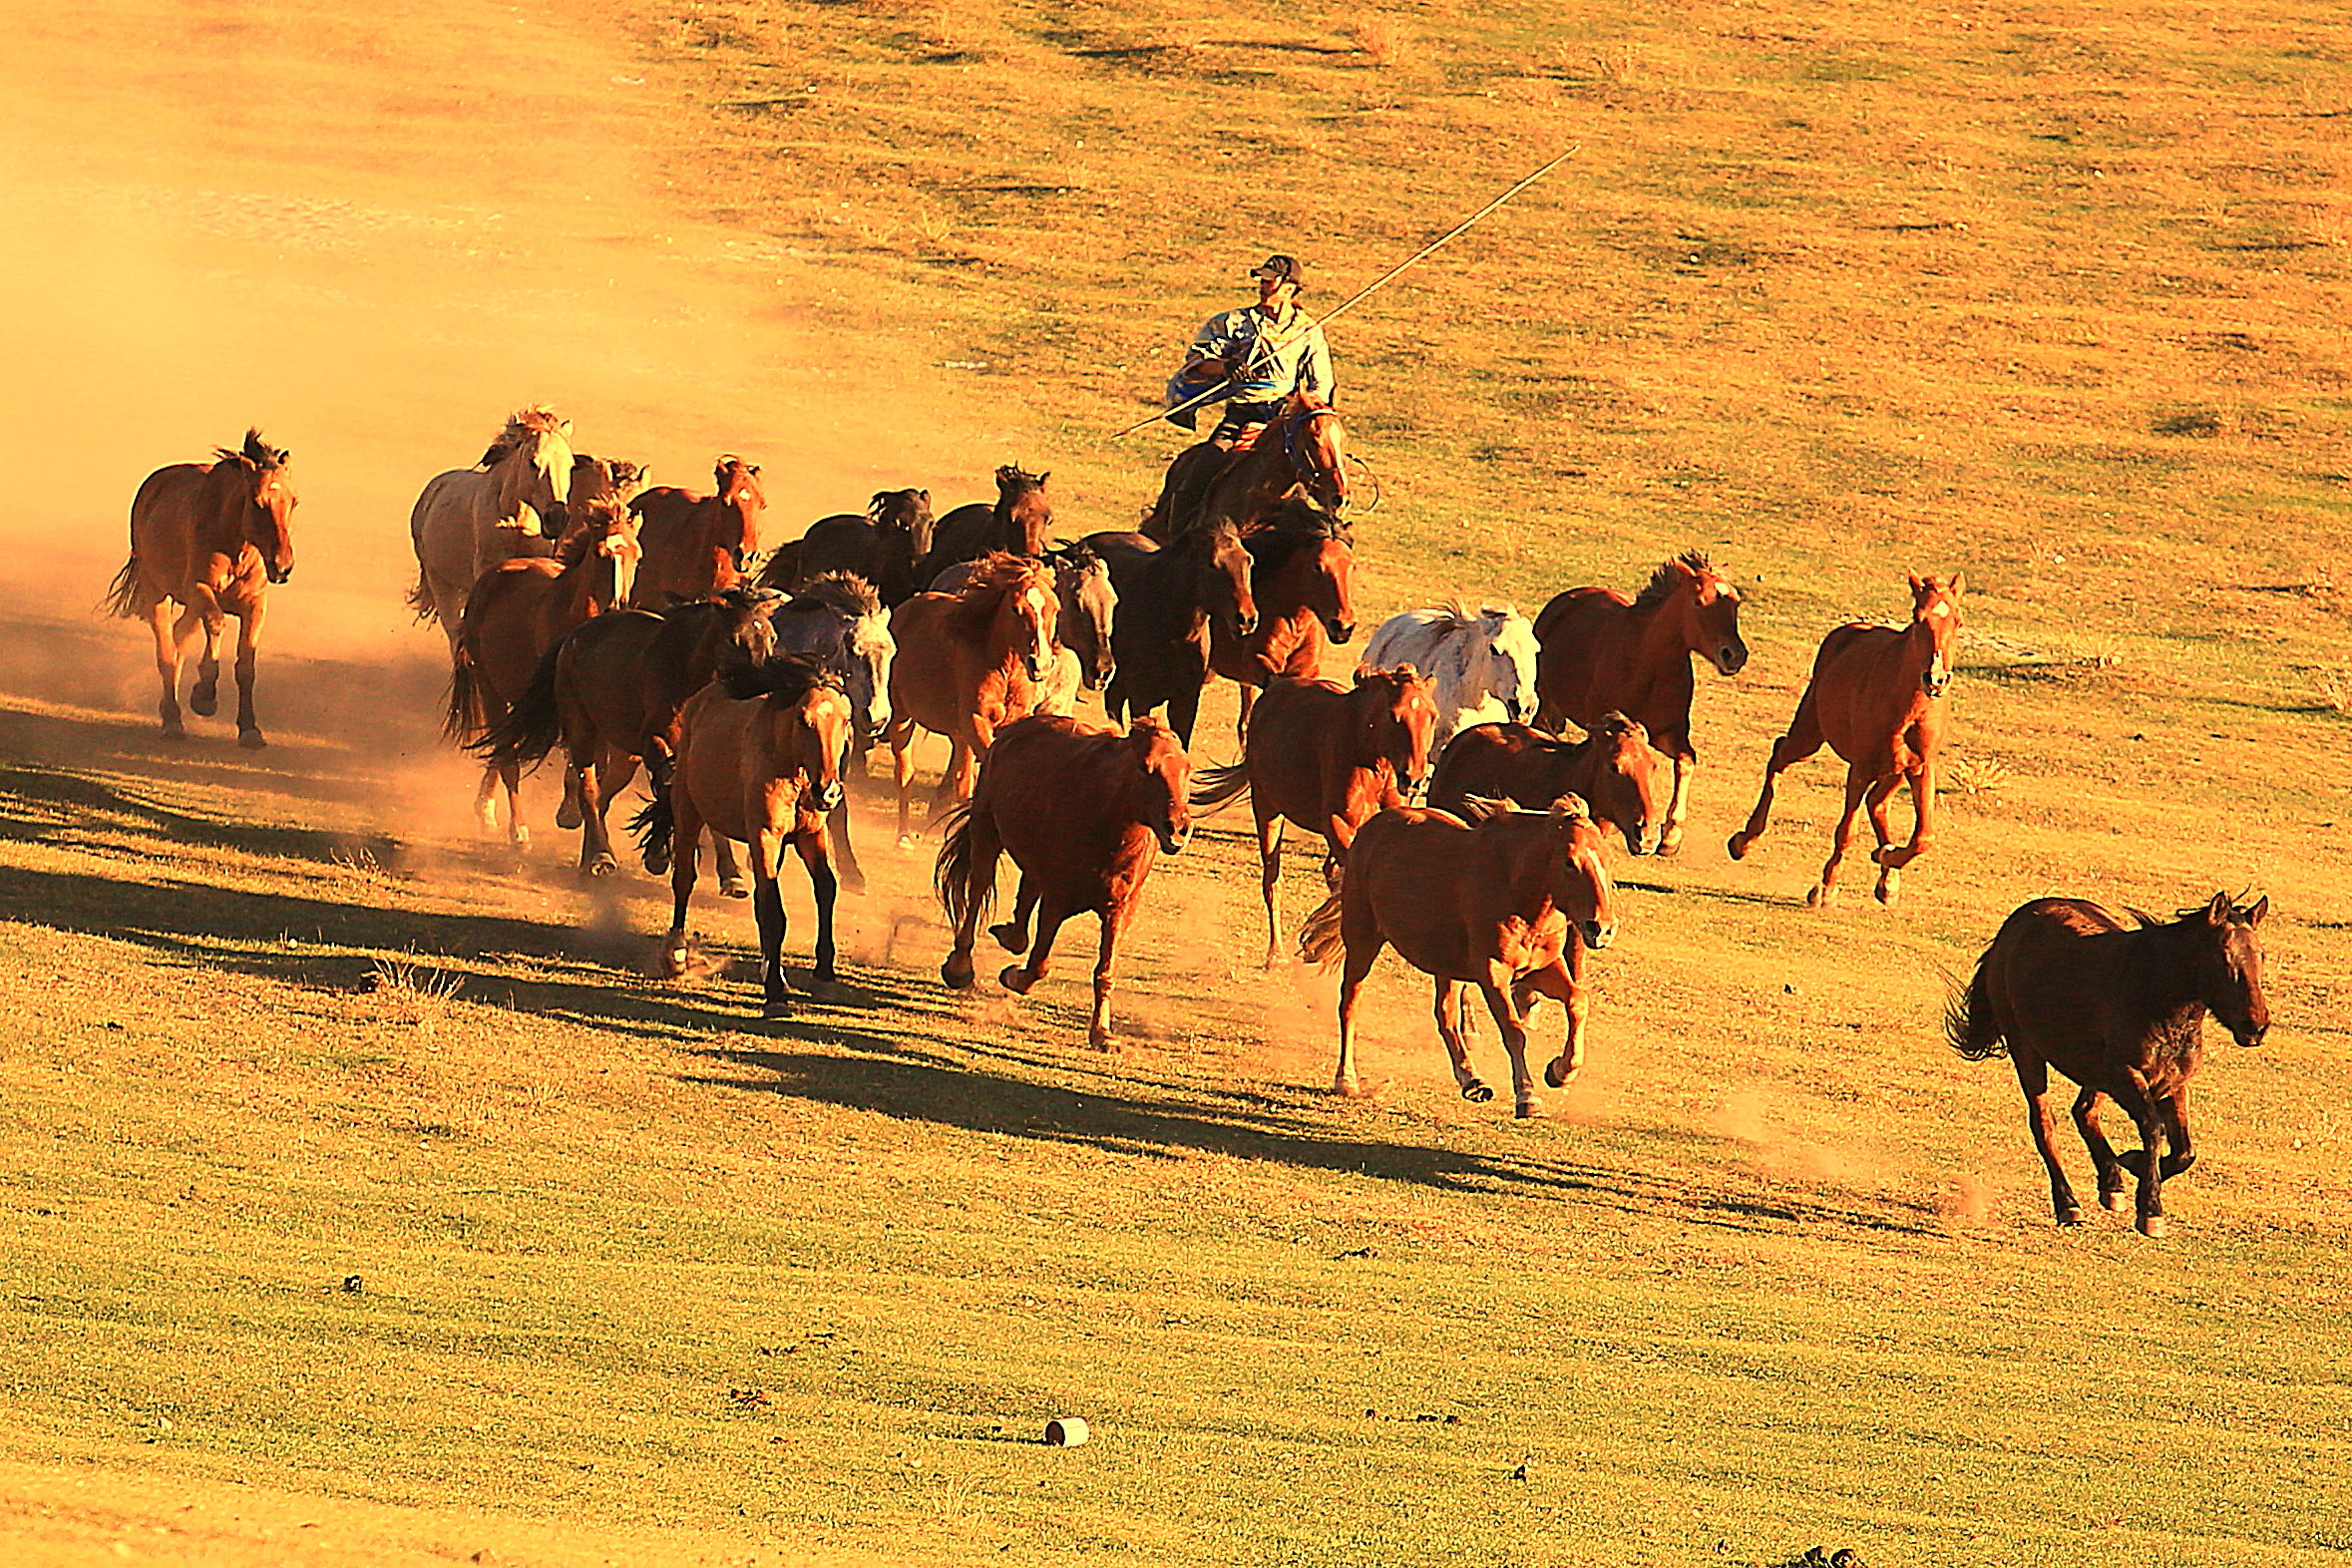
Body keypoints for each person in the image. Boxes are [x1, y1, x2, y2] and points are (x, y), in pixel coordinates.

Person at [1164, 255, 1336, 447]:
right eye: (1261, 281)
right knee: (1208, 464)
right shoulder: (1233, 323)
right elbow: (1197, 364)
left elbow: (1321, 385)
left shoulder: (1308, 331)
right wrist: (1226, 367)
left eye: (1269, 282)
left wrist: (1291, 412)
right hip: (1242, 413)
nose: (1262, 287)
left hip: (1286, 419)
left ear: (1289, 288)